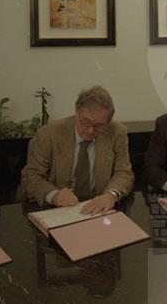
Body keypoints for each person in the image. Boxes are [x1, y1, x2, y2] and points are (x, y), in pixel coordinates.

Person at [20, 86, 133, 215]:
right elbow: (31, 176)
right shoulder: (48, 134)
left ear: (108, 121)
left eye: (99, 125)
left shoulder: (117, 132)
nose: (90, 130)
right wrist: (53, 195)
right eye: (85, 122)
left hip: (98, 210)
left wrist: (110, 195)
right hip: (58, 210)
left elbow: (124, 173)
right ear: (76, 113)